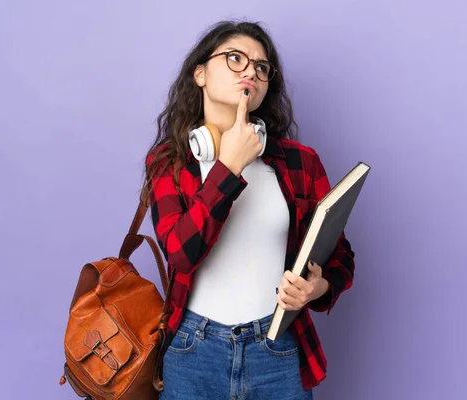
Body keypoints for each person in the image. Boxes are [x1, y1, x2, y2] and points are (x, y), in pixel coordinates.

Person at [142, 20, 355, 400]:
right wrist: (228, 169)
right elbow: (180, 253)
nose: (250, 73)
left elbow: (340, 255)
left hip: (276, 347)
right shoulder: (169, 163)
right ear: (200, 73)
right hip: (193, 350)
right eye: (235, 58)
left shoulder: (300, 163)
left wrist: (317, 287)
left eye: (261, 67)